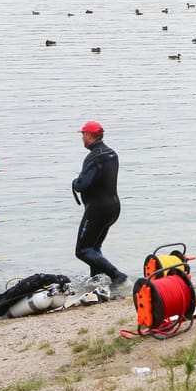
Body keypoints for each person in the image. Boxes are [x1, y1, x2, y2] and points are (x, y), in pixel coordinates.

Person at [72, 121, 129, 289]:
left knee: (82, 250)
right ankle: (96, 283)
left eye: (83, 135)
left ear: (89, 136)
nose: (82, 138)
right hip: (113, 207)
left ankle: (117, 276)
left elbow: (83, 184)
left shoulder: (95, 157)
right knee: (94, 247)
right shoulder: (112, 154)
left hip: (98, 209)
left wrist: (75, 182)